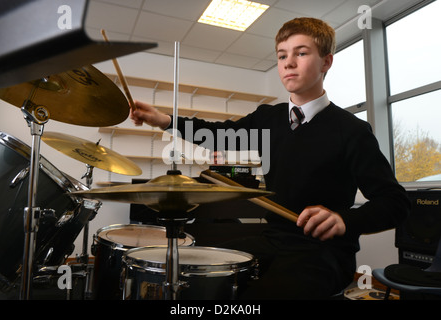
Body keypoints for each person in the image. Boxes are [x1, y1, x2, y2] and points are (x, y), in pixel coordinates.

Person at [129, 17, 410, 299]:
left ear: (326, 62)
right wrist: (163, 120)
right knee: (200, 274)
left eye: (301, 53)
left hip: (324, 252)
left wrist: (344, 220)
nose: (288, 63)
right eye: (281, 55)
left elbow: (395, 202)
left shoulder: (352, 131)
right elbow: (217, 134)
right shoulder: (268, 118)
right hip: (273, 239)